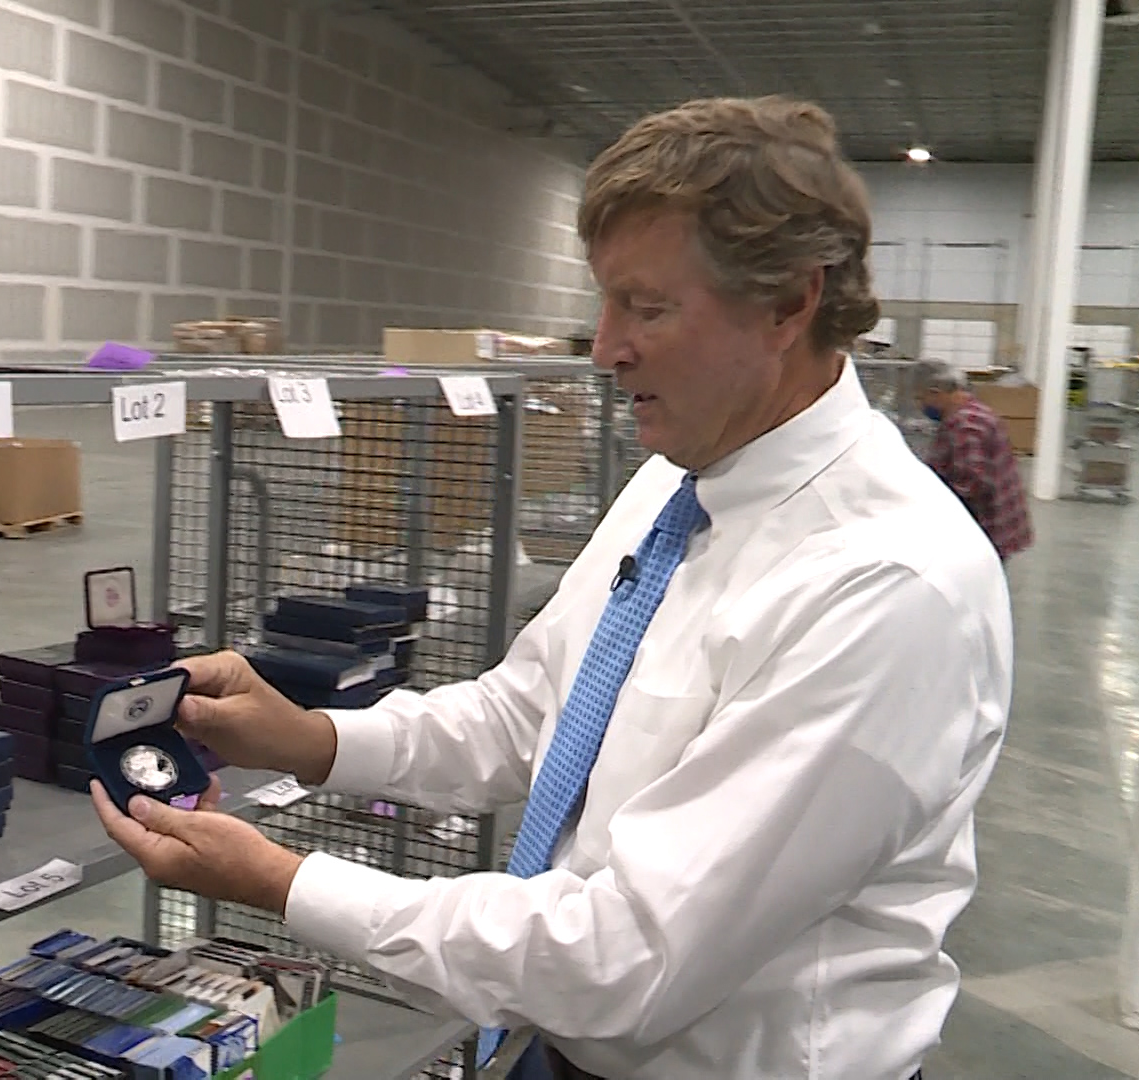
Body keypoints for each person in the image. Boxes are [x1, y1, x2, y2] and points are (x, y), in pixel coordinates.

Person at [89, 95, 1013, 1080]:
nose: (606, 347)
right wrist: (311, 738)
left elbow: (627, 962)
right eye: (605, 301)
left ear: (791, 300)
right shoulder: (677, 478)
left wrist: (283, 883)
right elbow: (528, 716)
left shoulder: (887, 588)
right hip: (554, 1041)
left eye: (648, 307)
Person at [915, 359, 1034, 563]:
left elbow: (970, 486)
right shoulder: (972, 410)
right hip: (997, 527)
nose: (921, 406)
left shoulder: (965, 425)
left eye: (921, 398)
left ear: (936, 392)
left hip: (985, 532)